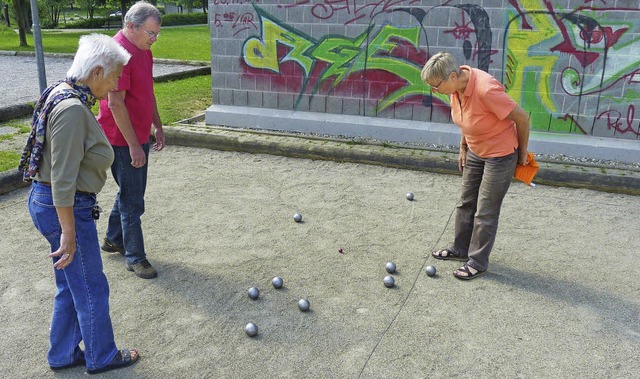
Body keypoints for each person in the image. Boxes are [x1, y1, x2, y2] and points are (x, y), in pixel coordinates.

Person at [20, 34, 140, 374]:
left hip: (53, 204)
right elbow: (63, 178)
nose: (117, 83)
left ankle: (62, 353)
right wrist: (69, 232)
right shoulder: (73, 109)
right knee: (91, 286)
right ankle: (102, 355)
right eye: (115, 76)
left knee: (71, 283)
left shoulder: (64, 91)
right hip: (64, 208)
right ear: (98, 72)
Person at [421, 52, 530, 280]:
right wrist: (463, 148)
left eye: (435, 85)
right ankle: (460, 249)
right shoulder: (455, 89)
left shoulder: (486, 90)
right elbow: (467, 121)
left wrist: (521, 154)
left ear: (452, 75)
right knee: (466, 203)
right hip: (475, 150)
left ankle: (478, 261)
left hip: (500, 155)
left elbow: (522, 118)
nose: (434, 90)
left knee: (486, 211)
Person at [97, 1, 165, 279]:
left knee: (130, 191)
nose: (154, 39)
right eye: (150, 33)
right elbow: (115, 104)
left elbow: (147, 91)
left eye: (157, 34)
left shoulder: (143, 49)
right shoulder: (117, 53)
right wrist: (135, 146)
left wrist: (157, 125)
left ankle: (113, 238)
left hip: (138, 134)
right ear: (130, 26)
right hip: (121, 139)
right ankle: (135, 257)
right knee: (133, 199)